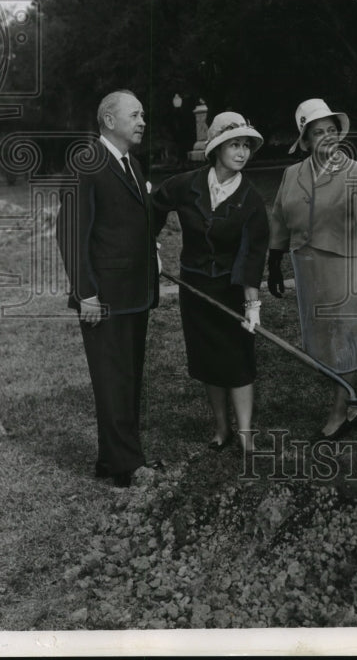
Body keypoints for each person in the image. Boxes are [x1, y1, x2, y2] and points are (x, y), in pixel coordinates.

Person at [56, 89, 160, 489]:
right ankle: (128, 466)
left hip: (134, 292)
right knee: (113, 379)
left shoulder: (131, 161)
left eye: (143, 114)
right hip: (104, 296)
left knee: (127, 379)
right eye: (135, 115)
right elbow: (69, 230)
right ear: (109, 120)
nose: (143, 122)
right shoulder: (88, 161)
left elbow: (132, 221)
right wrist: (87, 293)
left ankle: (114, 458)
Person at [151, 112, 269, 456]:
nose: (243, 151)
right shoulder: (186, 184)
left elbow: (251, 257)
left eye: (247, 145)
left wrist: (251, 306)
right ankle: (221, 428)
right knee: (208, 360)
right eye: (235, 144)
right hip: (194, 287)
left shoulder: (251, 200)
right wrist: (151, 245)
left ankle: (246, 433)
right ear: (217, 147)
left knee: (238, 359)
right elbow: (154, 206)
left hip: (231, 289)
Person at [267, 99, 357, 440]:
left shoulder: (356, 173)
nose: (327, 137)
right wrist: (274, 264)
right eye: (318, 132)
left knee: (346, 336)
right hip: (306, 266)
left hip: (345, 266)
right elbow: (279, 218)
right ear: (305, 140)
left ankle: (340, 412)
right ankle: (354, 403)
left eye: (332, 130)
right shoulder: (292, 174)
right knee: (320, 339)